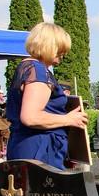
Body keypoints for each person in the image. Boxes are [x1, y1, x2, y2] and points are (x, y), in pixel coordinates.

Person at [6, 22, 88, 169]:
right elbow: (30, 117)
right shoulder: (38, 71)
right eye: (60, 48)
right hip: (39, 149)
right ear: (49, 46)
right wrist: (68, 119)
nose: (63, 53)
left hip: (23, 144)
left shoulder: (25, 67)